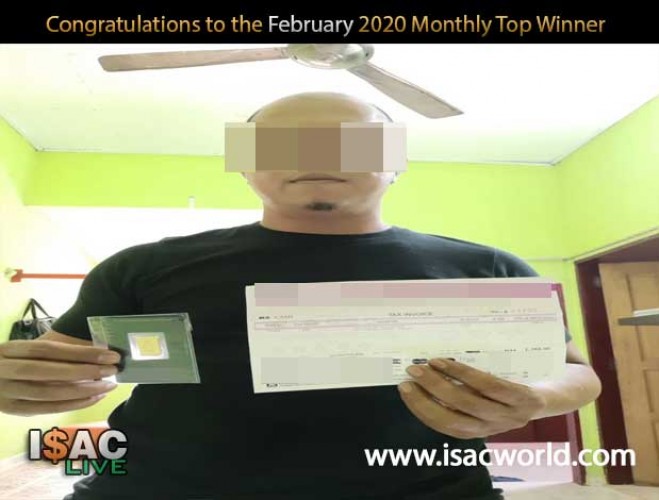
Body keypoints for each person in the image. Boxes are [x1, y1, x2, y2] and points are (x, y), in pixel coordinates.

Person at [0, 92, 602, 500]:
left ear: (395, 163)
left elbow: (577, 373)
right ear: (245, 165)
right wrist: (21, 388)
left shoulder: (487, 266)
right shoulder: (142, 266)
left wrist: (536, 399)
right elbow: (60, 371)